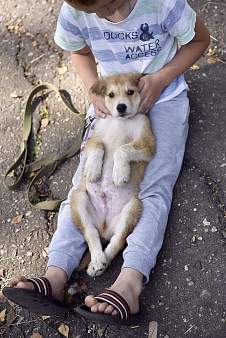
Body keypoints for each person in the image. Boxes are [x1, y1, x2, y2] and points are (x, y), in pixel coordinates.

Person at [1, 0, 210, 326]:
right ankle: (55, 275)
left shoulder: (163, 4)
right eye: (93, 10)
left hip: (164, 96)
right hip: (111, 102)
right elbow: (80, 54)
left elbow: (199, 40)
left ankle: (130, 283)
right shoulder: (77, 11)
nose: (102, 16)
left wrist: (157, 81)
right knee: (86, 184)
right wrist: (93, 92)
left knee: (152, 186)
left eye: (110, 4)